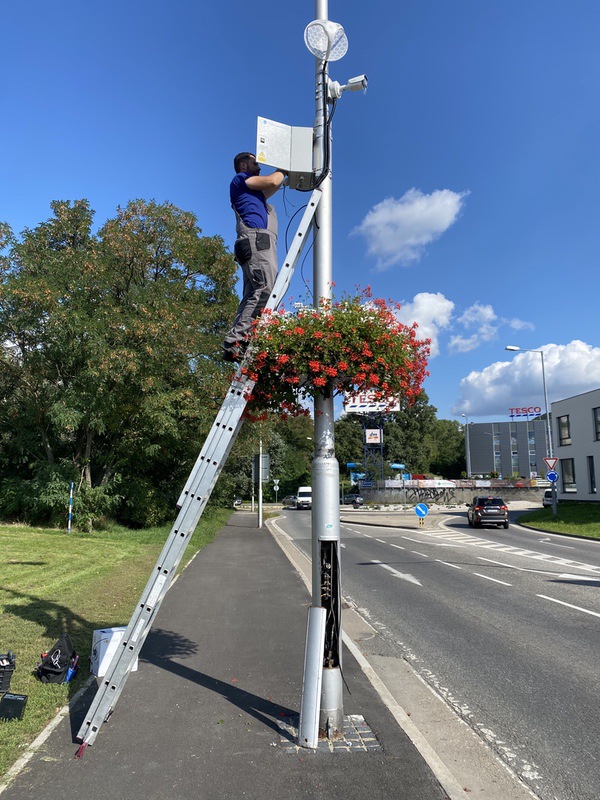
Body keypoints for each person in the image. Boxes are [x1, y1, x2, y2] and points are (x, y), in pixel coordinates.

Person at [223, 152, 286, 362]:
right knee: (265, 289)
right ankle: (236, 339)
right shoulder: (240, 179)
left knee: (253, 293)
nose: (258, 166)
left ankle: (240, 341)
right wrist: (284, 167)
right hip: (256, 239)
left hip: (255, 241)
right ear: (243, 165)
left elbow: (271, 186)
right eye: (254, 162)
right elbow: (272, 180)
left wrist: (282, 175)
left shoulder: (254, 194)